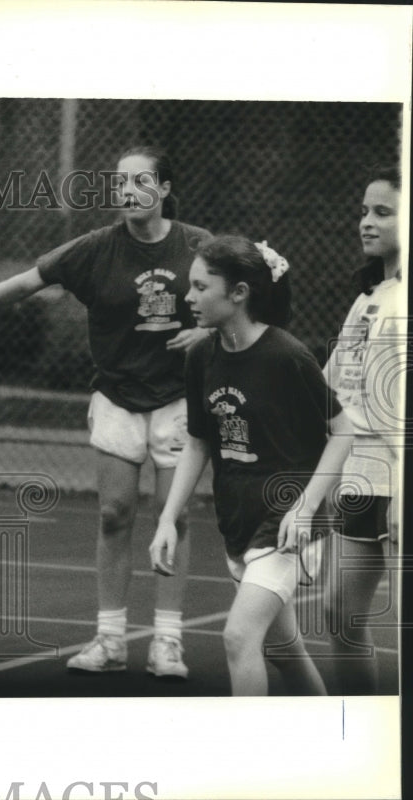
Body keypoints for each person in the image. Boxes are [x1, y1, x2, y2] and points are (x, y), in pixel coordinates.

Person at [0, 146, 210, 679]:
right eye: (120, 182)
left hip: (178, 399)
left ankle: (168, 642)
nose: (127, 191)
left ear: (164, 188)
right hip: (116, 396)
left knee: (174, 516)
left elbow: (256, 292)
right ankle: (110, 639)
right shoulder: (96, 250)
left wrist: (207, 330)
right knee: (114, 515)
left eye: (139, 181)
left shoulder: (199, 246)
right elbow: (23, 283)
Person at [149, 235, 354, 696]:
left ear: (238, 293)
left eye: (201, 287)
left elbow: (344, 430)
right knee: (284, 653)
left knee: (239, 638)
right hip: (238, 521)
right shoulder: (202, 356)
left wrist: (305, 507)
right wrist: (167, 518)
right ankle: (332, 738)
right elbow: (199, 442)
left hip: (286, 524)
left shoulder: (287, 356)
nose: (189, 297)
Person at [321, 166, 403, 694]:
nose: (365, 223)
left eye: (383, 212)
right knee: (339, 614)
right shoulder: (369, 295)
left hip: (396, 479)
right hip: (359, 477)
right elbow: (331, 389)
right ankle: (362, 727)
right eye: (364, 211)